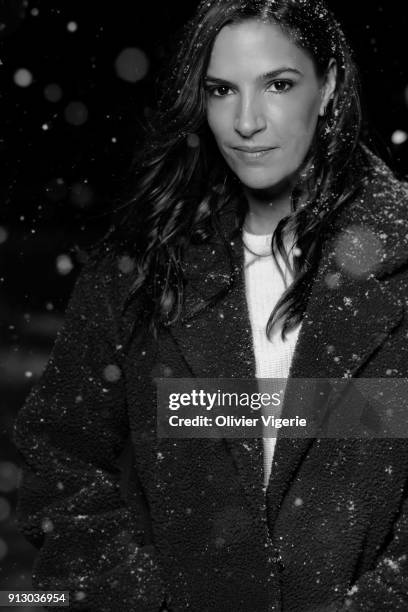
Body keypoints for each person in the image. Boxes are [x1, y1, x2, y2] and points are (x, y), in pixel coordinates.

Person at [12, 0, 408, 610]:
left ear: (328, 87)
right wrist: (135, 597)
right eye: (222, 90)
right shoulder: (141, 266)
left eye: (278, 84)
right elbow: (62, 459)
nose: (246, 120)